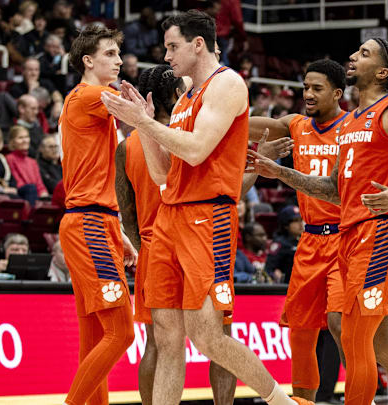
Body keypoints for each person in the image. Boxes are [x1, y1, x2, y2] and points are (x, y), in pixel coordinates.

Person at [101, 10, 308, 405]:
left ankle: (281, 402)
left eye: (173, 46)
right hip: (169, 215)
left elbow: (196, 153)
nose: (166, 56)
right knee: (165, 338)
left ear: (198, 44)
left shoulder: (227, 84)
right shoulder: (183, 99)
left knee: (208, 336)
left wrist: (144, 125)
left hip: (206, 217)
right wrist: (142, 122)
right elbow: (162, 173)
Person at [245, 38, 388, 405]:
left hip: (384, 231)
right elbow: (334, 190)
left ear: (383, 71)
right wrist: (281, 172)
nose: (353, 57)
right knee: (379, 343)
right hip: (351, 233)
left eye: (365, 53)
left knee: (356, 339)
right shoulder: (352, 121)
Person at [115, 64, 237, 405]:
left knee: (157, 343)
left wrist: (145, 247)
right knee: (220, 338)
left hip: (155, 248)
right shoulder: (195, 134)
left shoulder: (127, 146)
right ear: (174, 95)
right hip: (200, 239)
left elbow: (127, 214)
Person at [247, 58, 348, 401]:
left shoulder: (353, 128)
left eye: (316, 89)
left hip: (346, 238)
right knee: (301, 334)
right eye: (305, 87)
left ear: (337, 93)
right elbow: (245, 126)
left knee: (339, 323)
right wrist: (211, 115)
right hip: (309, 239)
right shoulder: (294, 124)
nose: (308, 94)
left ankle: (363, 390)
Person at [57, 25, 137, 405]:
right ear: (88, 61)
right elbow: (141, 117)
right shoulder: (92, 95)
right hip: (89, 223)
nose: (119, 60)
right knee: (122, 333)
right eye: (110, 53)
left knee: (93, 338)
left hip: (94, 220)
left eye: (118, 53)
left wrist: (118, 230)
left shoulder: (87, 98)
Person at [5, 125, 48, 205]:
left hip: (33, 193)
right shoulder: (9, 158)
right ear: (12, 142)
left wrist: (44, 194)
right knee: (30, 189)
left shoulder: (32, 162)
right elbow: (17, 181)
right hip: (20, 193)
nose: (25, 140)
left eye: (26, 137)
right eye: (20, 138)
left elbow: (39, 183)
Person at [265, 205, 303, 284]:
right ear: (286, 225)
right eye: (295, 221)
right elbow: (269, 269)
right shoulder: (279, 243)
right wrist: (275, 274)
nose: (300, 224)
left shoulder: (304, 240)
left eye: (301, 220)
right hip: (286, 286)